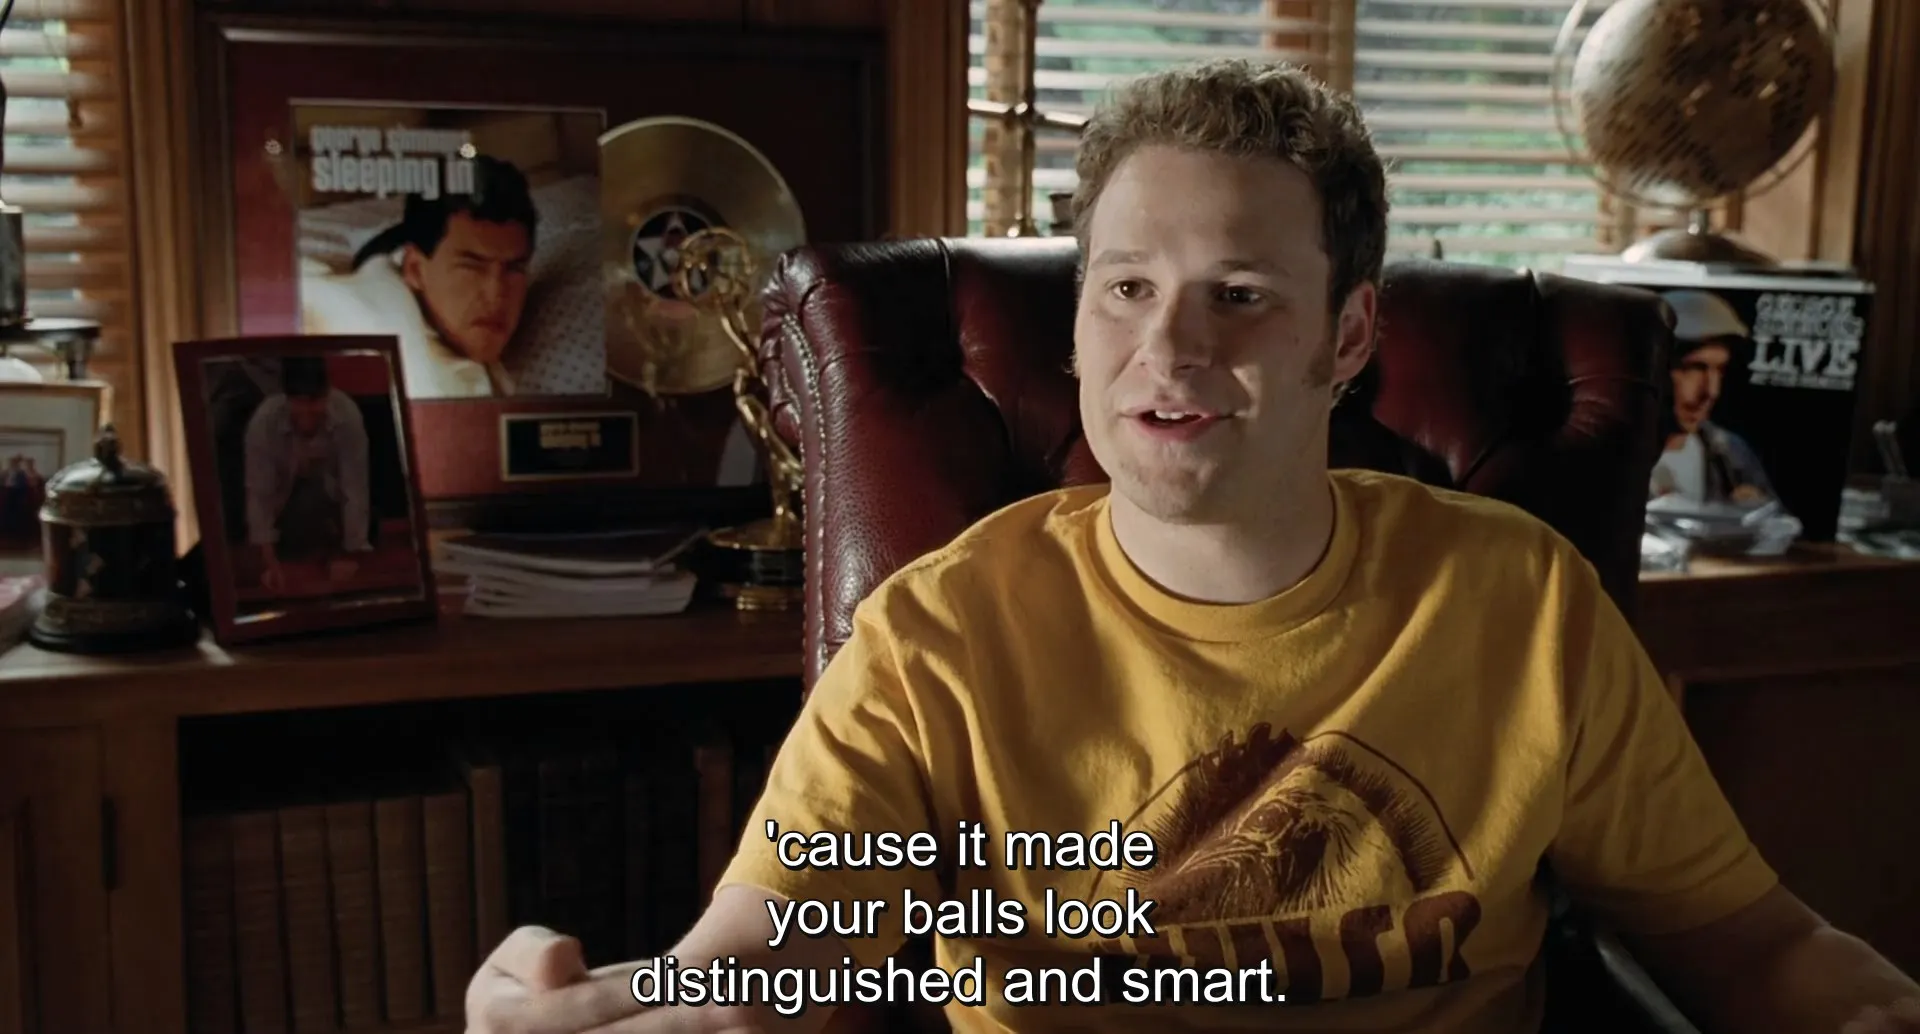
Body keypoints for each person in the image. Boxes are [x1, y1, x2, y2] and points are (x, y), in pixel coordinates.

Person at [465, 60, 1920, 1033]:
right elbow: (770, 957)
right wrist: (625, 1005)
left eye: (1239, 294)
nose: (1166, 348)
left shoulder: (1521, 600)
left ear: (1349, 334)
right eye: (1125, 287)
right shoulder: (937, 637)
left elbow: (1755, 946)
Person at [301, 154, 537, 398]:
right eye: (472, 267)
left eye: (514, 269)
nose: (496, 294)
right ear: (414, 269)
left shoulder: (470, 352)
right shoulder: (359, 317)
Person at [243, 356, 372, 593]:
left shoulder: (347, 416)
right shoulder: (264, 422)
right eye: (299, 402)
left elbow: (354, 488)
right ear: (286, 398)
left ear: (327, 394)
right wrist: (269, 563)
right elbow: (260, 495)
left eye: (315, 401)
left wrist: (350, 554)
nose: (307, 411)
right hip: (287, 508)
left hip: (333, 504)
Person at [1649, 289, 1779, 505]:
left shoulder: (1730, 452)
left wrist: (1752, 508)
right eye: (1694, 368)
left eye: (1720, 370)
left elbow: (1778, 519)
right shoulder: (1607, 451)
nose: (1711, 391)